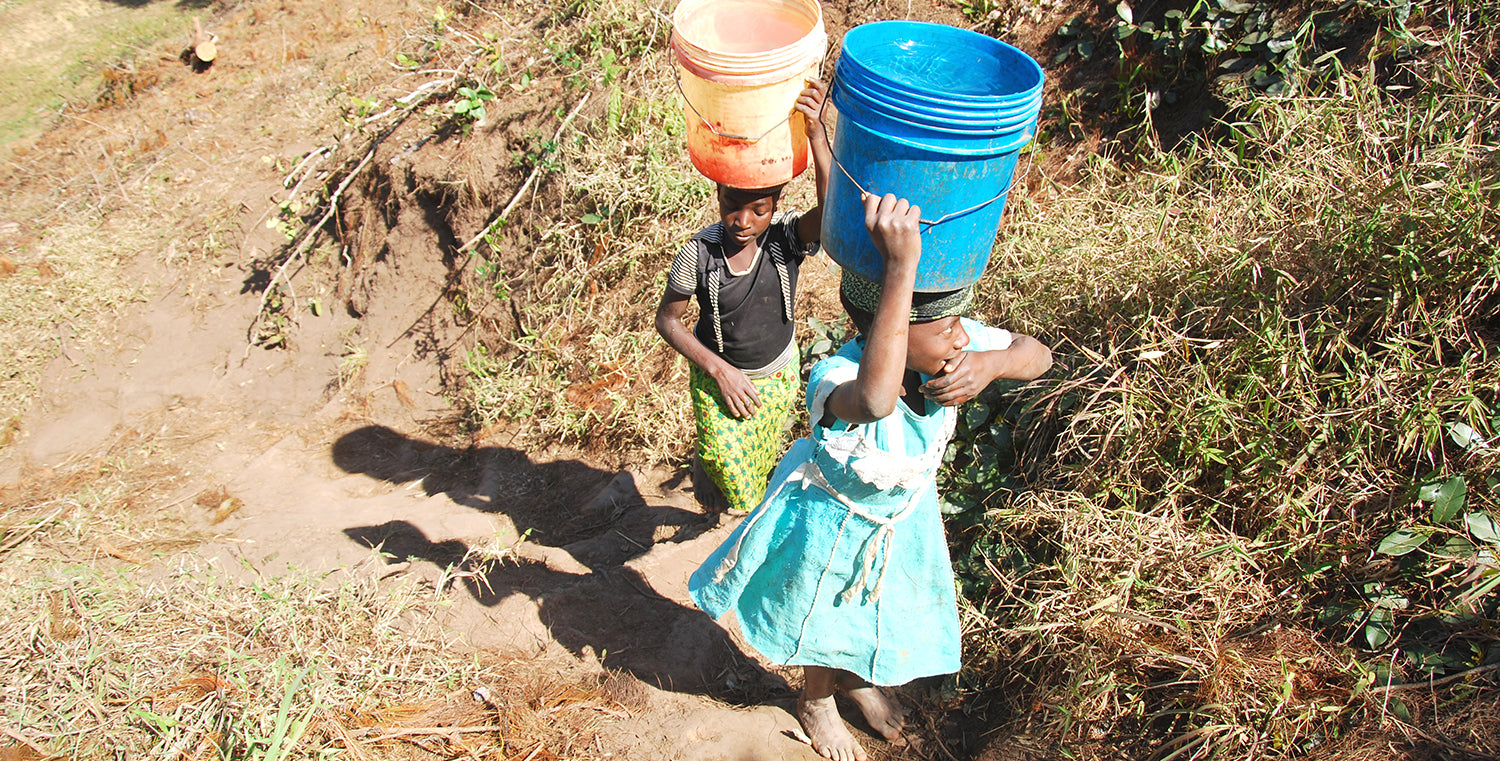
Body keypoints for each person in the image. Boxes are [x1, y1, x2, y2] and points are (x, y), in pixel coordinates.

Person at [688, 192, 1053, 761]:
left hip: (901, 519)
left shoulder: (957, 353)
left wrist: (995, 362)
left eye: (962, 326)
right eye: (947, 327)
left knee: (869, 606)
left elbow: (1039, 355)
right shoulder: (835, 376)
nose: (961, 338)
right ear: (897, 332)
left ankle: (853, 679)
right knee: (823, 610)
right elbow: (879, 400)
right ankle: (817, 700)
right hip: (829, 522)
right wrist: (902, 265)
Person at [656, 80, 833, 515]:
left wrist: (816, 135)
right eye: (733, 204)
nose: (743, 220)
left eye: (760, 210)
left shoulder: (785, 240)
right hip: (722, 379)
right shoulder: (699, 254)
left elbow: (831, 218)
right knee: (726, 466)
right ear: (718, 193)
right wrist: (720, 371)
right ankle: (709, 469)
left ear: (776, 205)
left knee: (756, 460)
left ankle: (732, 508)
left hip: (775, 377)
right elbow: (668, 320)